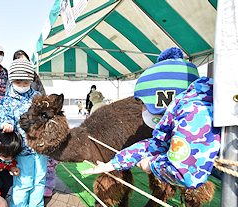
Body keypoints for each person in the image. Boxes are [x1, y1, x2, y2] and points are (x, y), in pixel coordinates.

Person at [82, 47, 220, 189]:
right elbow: (154, 145)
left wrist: (152, 164)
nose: (141, 109)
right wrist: (111, 164)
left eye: (142, 103)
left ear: (162, 98)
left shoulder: (194, 113)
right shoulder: (183, 113)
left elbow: (184, 174)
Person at [0, 58, 48, 207]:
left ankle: (36, 206)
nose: (22, 84)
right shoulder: (7, 100)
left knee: (40, 178)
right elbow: (4, 116)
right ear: (12, 80)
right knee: (23, 180)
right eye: (18, 81)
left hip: (40, 147)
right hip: (23, 150)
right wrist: (6, 123)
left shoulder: (38, 96)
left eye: (26, 80)